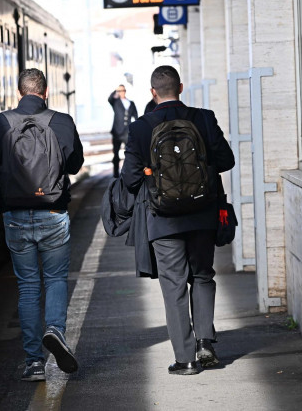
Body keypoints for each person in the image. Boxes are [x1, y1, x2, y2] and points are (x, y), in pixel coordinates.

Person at [121, 65, 235, 376]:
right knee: (202, 275)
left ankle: (186, 359)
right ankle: (206, 343)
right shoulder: (204, 118)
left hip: (163, 219)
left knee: (173, 287)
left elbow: (130, 178)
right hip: (202, 214)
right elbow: (227, 160)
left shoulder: (141, 127)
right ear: (181, 88)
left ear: (152, 93)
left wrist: (151, 172)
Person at [0, 68, 84, 382]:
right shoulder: (61, 121)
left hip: (15, 217)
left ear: (19, 91)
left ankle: (34, 364)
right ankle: (55, 330)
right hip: (53, 214)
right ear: (46, 91)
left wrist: (6, 207)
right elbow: (75, 165)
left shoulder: (0, 123)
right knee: (55, 280)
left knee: (27, 288)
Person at [108, 84, 138, 178]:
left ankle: (127, 172)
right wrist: (115, 91)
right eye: (119, 91)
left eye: (123, 90)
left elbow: (136, 117)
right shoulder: (115, 102)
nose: (121, 92)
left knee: (129, 153)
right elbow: (109, 99)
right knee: (115, 154)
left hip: (127, 132)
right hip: (117, 132)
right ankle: (115, 173)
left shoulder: (131, 103)